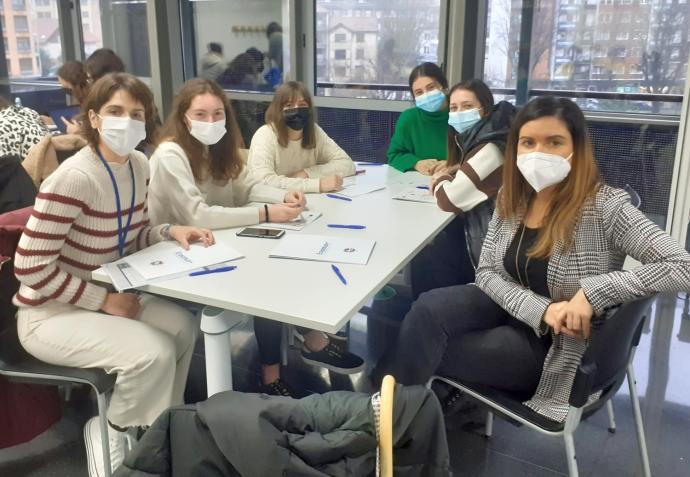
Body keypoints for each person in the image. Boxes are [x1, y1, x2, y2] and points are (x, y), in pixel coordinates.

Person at [373, 96, 690, 423]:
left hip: (556, 347)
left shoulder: (605, 206)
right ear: (515, 149)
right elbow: (487, 273)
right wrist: (543, 309)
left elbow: (682, 266)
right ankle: (383, 412)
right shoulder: (514, 196)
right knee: (426, 311)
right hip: (517, 309)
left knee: (426, 348)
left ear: (577, 148)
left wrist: (592, 293)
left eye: (554, 142)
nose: (540, 152)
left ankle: (382, 421)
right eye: (528, 142)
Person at [12, 73, 213, 476]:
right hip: (48, 315)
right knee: (152, 353)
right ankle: (111, 431)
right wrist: (103, 300)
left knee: (183, 328)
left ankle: (156, 430)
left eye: (136, 113)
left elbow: (133, 236)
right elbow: (30, 267)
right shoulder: (74, 177)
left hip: (100, 299)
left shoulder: (138, 164)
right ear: (94, 118)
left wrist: (170, 231)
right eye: (115, 111)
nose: (126, 121)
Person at [148, 78, 362, 396]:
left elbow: (248, 186)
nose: (211, 122)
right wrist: (264, 214)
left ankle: (299, 349)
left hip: (214, 245)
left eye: (218, 114)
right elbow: (199, 214)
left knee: (282, 264)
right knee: (272, 279)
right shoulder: (171, 155)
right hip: (172, 257)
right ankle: (296, 353)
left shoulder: (217, 149)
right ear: (183, 117)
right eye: (201, 114)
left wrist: (284, 196)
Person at [410, 79, 516, 298]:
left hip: (494, 253)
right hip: (489, 235)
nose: (459, 113)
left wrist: (440, 178)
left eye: (467, 107)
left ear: (484, 109)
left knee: (427, 254)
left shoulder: (490, 148)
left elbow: (449, 199)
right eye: (454, 108)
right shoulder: (490, 138)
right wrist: (457, 167)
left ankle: (429, 310)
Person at [247, 81, 355, 193]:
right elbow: (263, 181)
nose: (297, 110)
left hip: (307, 200)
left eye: (302, 105)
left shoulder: (314, 130)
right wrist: (318, 185)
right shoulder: (265, 135)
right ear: (278, 110)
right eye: (289, 105)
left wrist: (307, 173)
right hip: (270, 204)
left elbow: (346, 164)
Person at [387, 62, 449, 175]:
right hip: (419, 184)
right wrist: (416, 163)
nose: (426, 95)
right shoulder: (409, 118)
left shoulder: (461, 115)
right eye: (419, 92)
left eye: (431, 88)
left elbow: (481, 156)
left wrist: (454, 164)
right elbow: (394, 155)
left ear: (444, 87)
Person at [57, 61, 90, 134]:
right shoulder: (81, 97)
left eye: (68, 87)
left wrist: (80, 131)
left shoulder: (93, 99)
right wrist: (54, 121)